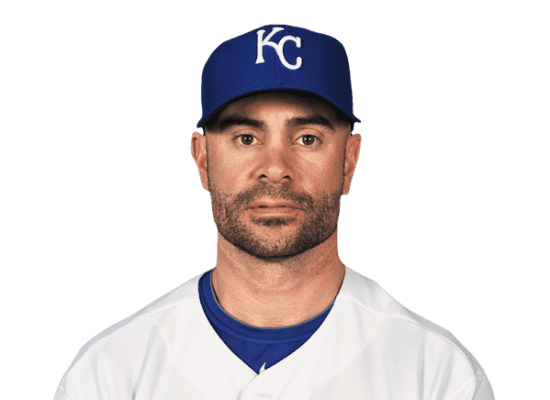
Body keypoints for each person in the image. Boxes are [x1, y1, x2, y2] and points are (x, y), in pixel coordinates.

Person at [54, 24, 495, 399]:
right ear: (202, 159)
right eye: (246, 138)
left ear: (349, 160)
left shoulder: (437, 373)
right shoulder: (111, 373)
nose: (275, 168)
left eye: (307, 139)